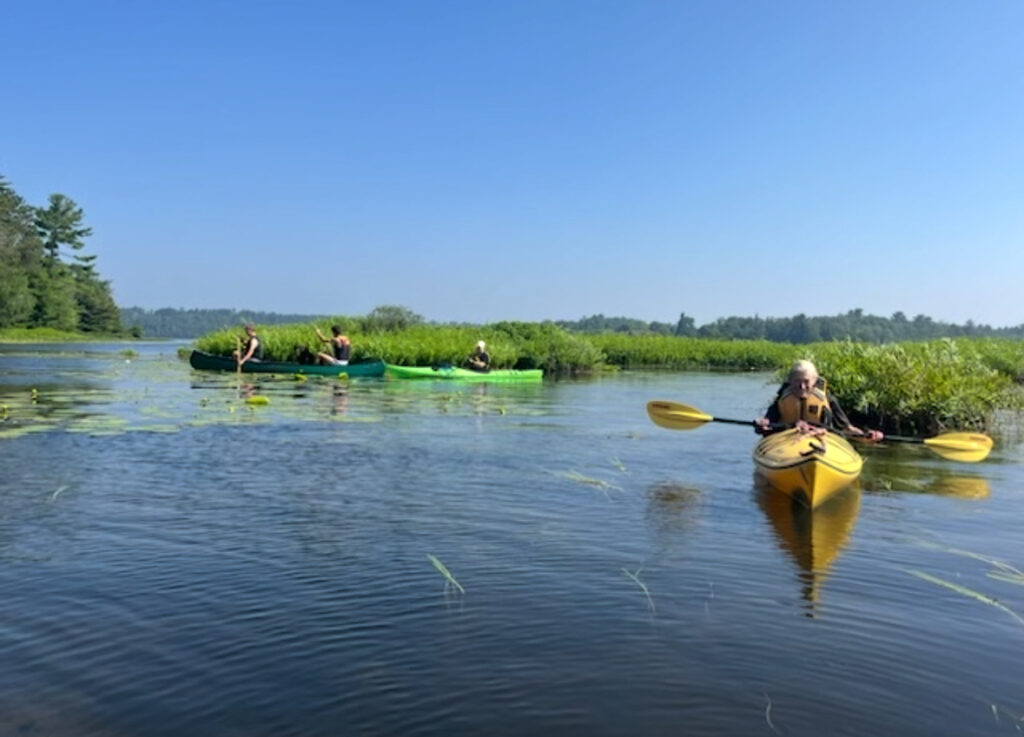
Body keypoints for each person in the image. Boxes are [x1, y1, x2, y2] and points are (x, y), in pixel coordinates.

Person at [754, 359, 883, 441]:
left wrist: (867, 436)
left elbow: (846, 428)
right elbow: (768, 423)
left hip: (820, 437)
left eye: (806, 381)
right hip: (787, 439)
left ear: (815, 381)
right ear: (790, 381)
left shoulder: (827, 400)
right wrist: (763, 425)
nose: (802, 386)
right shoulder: (782, 400)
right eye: (797, 381)